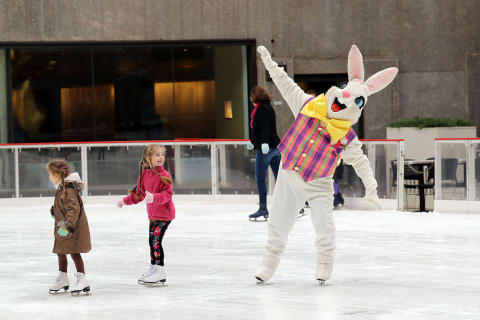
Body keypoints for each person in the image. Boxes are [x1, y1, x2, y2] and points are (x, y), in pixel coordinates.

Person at [255, 45, 397, 285]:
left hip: (319, 182)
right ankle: (268, 263)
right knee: (278, 222)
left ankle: (325, 263)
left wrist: (371, 187)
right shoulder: (307, 105)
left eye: (355, 102)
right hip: (289, 173)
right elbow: (284, 82)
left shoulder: (346, 137)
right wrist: (269, 62)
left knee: (323, 225)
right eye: (344, 95)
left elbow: (361, 162)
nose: (342, 104)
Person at [117, 144, 175, 285]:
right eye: (157, 155)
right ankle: (154, 268)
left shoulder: (165, 175)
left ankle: (160, 270)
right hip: (153, 215)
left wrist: (154, 197)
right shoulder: (145, 175)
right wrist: (125, 201)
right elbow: (139, 195)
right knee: (152, 242)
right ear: (148, 158)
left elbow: (167, 195)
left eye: (162, 154)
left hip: (164, 215)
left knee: (155, 241)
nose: (161, 157)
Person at [46, 159, 91, 295]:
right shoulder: (62, 188)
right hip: (64, 228)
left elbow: (73, 209)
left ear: (58, 175)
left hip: (72, 229)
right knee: (61, 251)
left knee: (74, 252)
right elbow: (64, 206)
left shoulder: (68, 190)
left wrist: (67, 226)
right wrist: (56, 210)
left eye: (50, 174)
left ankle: (82, 279)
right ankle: (63, 278)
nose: (49, 177)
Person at [247, 86, 281, 221]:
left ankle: (263, 208)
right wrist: (253, 141)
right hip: (276, 148)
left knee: (260, 179)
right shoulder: (269, 107)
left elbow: (265, 127)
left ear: (255, 97)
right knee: (280, 180)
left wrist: (263, 143)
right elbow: (261, 129)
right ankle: (295, 206)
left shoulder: (261, 109)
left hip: (266, 149)